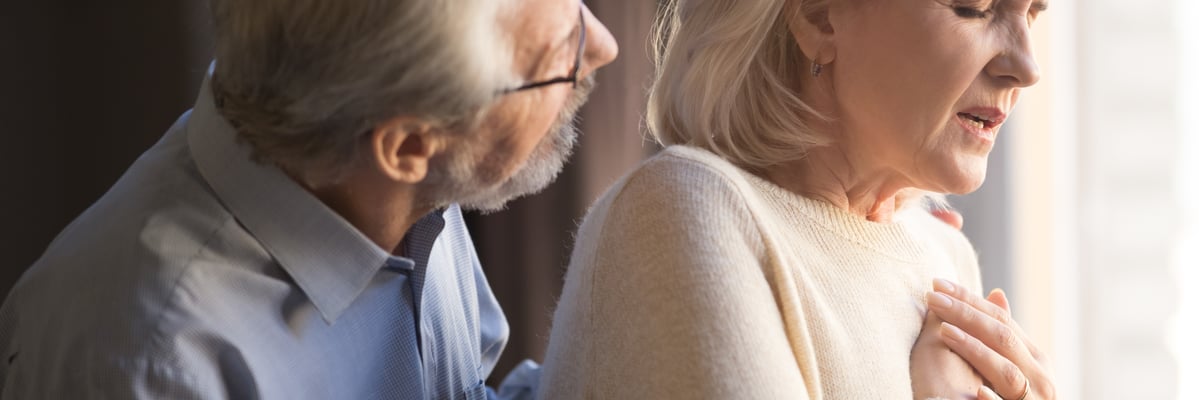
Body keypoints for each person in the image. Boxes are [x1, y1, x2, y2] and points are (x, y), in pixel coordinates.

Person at [0, 0, 616, 398]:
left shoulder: (391, 176)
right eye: (561, 54)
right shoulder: (156, 367)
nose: (606, 46)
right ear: (406, 146)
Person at [539, 0, 1054, 399]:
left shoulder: (946, 255)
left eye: (1032, 11)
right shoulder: (686, 213)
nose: (1028, 66)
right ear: (817, 16)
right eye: (975, 7)